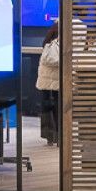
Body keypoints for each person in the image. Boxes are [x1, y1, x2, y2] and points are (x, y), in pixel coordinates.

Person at [37, 17, 61, 146]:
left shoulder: (49, 36)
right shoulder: (65, 35)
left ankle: (49, 136)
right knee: (58, 106)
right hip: (57, 78)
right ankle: (59, 136)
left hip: (45, 78)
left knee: (46, 106)